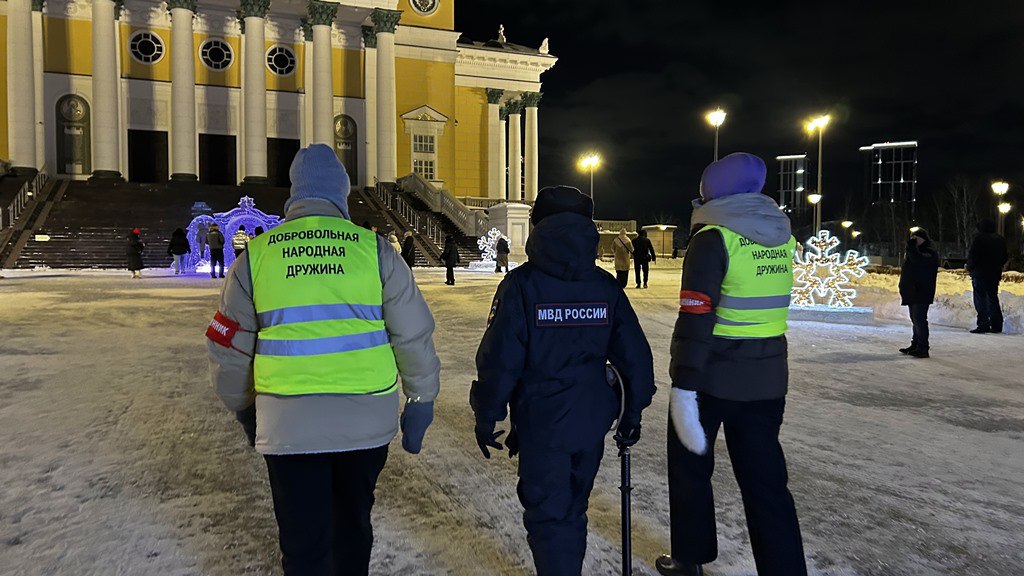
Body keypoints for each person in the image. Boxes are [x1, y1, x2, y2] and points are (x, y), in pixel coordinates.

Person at [206, 144, 440, 576]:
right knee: (353, 527)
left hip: (288, 423)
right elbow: (414, 334)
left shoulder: (255, 257)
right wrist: (422, 399)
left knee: (304, 541)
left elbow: (229, 347)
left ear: (295, 192)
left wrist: (242, 408)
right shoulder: (375, 251)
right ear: (342, 192)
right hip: (366, 424)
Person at [471, 185, 656, 576]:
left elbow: (500, 359)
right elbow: (635, 356)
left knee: (550, 513)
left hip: (541, 418)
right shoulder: (605, 286)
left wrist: (487, 412)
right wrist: (632, 410)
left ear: (538, 226)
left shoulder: (521, 286)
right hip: (591, 417)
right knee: (573, 504)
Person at [656, 153, 806, 576]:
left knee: (690, 471)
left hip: (711, 377)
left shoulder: (714, 239)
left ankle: (690, 558)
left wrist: (684, 381)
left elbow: (696, 314)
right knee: (767, 484)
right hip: (768, 378)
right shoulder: (782, 236)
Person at [898, 228, 939, 358]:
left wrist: (911, 248)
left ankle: (923, 347)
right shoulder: (915, 251)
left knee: (920, 320)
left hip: (922, 291)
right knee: (915, 320)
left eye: (916, 239)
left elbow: (918, 261)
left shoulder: (929, 252)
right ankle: (915, 344)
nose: (913, 241)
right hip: (913, 290)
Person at [966, 219, 1008, 334]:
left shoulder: (979, 239)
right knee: (992, 298)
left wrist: (969, 267)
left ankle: (983, 324)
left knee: (980, 300)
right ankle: (997, 325)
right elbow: (1004, 257)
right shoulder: (1000, 239)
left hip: (979, 274)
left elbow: (973, 256)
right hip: (994, 274)